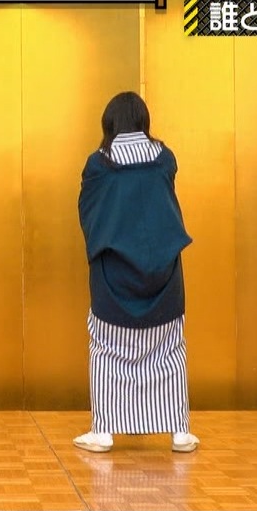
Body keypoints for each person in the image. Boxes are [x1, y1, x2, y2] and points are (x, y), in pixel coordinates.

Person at [72, 92, 199, 455]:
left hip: (112, 270)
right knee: (170, 349)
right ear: (144, 121)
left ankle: (104, 430)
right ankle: (179, 431)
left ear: (108, 123)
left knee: (106, 348)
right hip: (164, 270)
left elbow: (88, 210)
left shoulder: (98, 164)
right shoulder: (165, 159)